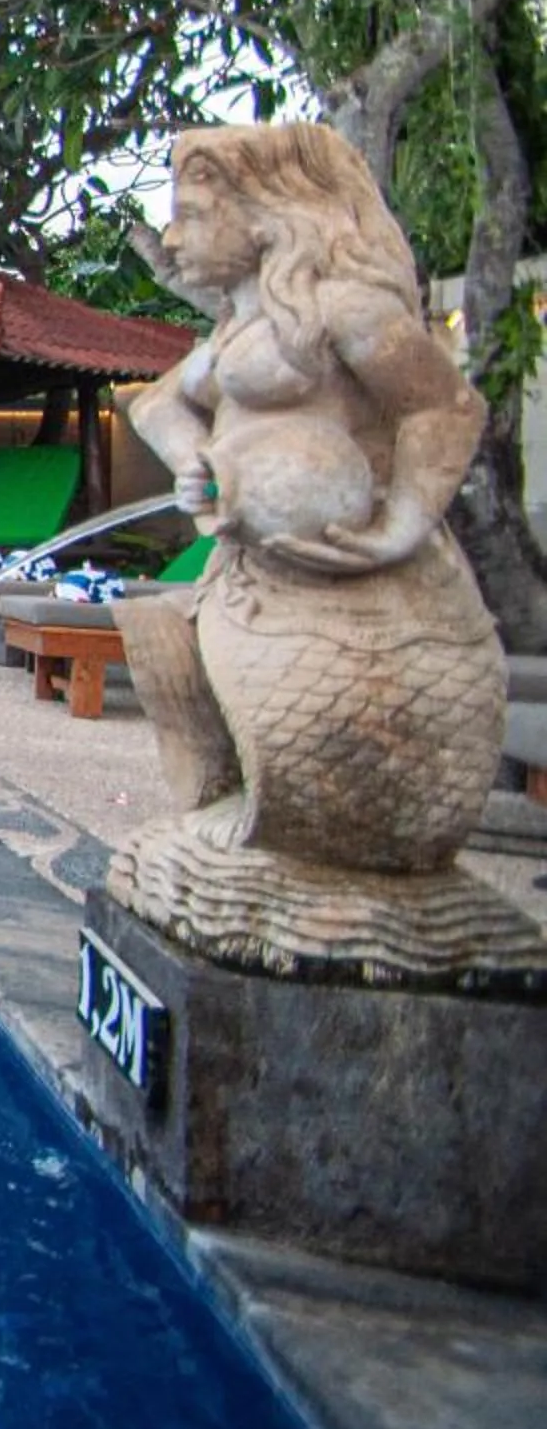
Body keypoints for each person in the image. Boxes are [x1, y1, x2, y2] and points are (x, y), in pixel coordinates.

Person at [118, 121, 501, 879]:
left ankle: (314, 840)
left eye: (193, 213)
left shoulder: (341, 308)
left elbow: (443, 406)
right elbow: (155, 406)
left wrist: (401, 526)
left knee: (318, 719)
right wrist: (196, 462)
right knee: (158, 632)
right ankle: (228, 808)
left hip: (351, 586)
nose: (173, 235)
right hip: (254, 574)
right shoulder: (238, 332)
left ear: (264, 214)